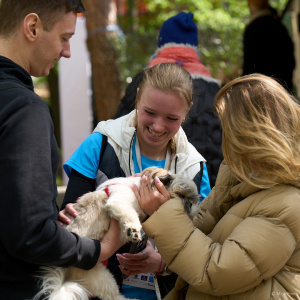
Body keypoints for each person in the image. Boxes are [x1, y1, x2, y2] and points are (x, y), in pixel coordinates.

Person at [135, 73, 300, 299]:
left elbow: (215, 271)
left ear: (251, 134)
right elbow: (200, 228)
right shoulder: (239, 175)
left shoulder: (287, 204)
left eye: (229, 130)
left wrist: (164, 214)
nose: (225, 138)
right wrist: (168, 200)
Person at [0, 1, 124, 299]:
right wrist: (99, 249)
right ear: (32, 27)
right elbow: (30, 235)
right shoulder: (23, 109)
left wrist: (48, 217)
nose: (67, 52)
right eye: (65, 38)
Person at [59, 62, 211, 299]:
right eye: (150, 112)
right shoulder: (100, 144)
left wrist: (162, 264)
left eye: (171, 118)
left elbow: (204, 250)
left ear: (187, 111)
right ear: (138, 97)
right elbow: (70, 225)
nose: (158, 126)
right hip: (96, 290)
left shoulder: (194, 167)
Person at [114, 12, 223, 188]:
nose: (158, 125)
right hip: (206, 183)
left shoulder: (144, 81)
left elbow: (120, 131)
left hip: (149, 182)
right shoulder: (215, 90)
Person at [243, 0, 295, 92]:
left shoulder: (253, 29)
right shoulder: (279, 27)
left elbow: (250, 65)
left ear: (250, 4)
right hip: (282, 88)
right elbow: (290, 61)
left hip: (261, 90)